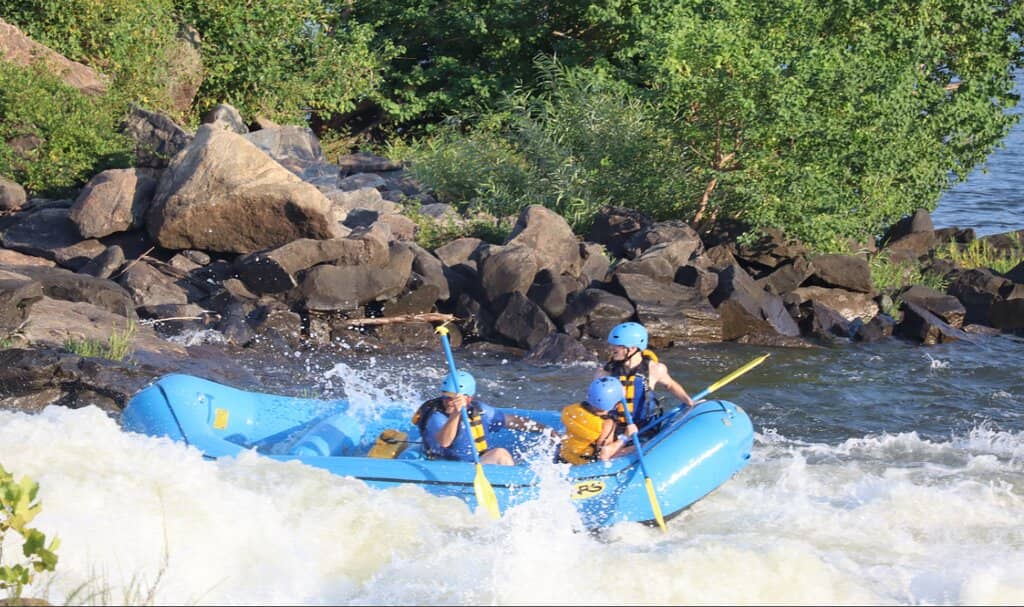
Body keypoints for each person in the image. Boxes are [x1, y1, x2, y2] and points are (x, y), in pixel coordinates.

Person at [413, 370, 547, 465]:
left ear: (469, 398)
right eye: (446, 396)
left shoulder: (479, 410)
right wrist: (456, 414)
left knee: (511, 457)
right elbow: (444, 442)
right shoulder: (437, 416)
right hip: (446, 464)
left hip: (474, 461)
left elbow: (511, 421)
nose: (449, 402)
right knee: (501, 454)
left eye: (454, 398)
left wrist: (547, 431)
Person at [596, 322, 695, 433]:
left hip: (645, 427)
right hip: (614, 428)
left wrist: (689, 402)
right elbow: (596, 401)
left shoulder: (654, 369)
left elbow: (670, 385)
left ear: (632, 348)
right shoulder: (605, 371)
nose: (611, 348)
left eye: (616, 345)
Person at [559, 376, 635, 463]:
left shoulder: (573, 409)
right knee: (637, 447)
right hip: (584, 464)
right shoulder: (607, 424)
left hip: (564, 457)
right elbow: (603, 454)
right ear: (616, 404)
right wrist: (625, 437)